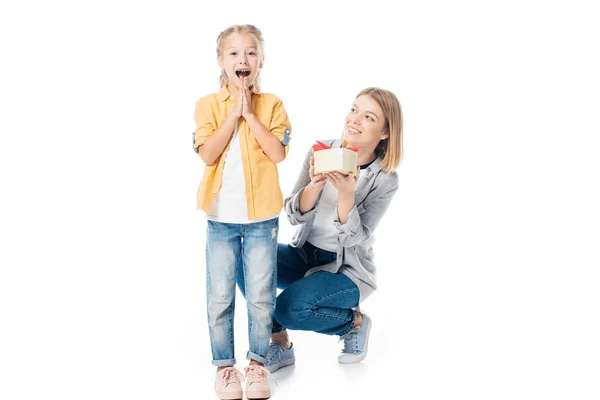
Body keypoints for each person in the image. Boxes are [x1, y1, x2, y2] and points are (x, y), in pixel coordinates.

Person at [237, 87, 403, 373]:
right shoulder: (322, 149)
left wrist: (346, 195)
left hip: (345, 270)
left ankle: (355, 323)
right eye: (354, 110)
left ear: (385, 133)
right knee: (243, 256)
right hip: (304, 254)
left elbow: (357, 238)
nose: (355, 120)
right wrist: (313, 187)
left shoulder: (385, 180)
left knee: (288, 308)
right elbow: (291, 212)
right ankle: (281, 344)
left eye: (368, 117)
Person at [192, 24, 292, 399]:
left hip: (261, 218)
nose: (243, 59)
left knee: (261, 295)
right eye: (234, 53)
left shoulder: (272, 105)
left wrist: (250, 115)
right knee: (219, 296)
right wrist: (233, 114)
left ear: (261, 60)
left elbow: (278, 153)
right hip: (220, 218)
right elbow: (207, 154)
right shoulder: (207, 106)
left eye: (250, 53)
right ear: (221, 61)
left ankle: (257, 365)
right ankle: (224, 368)